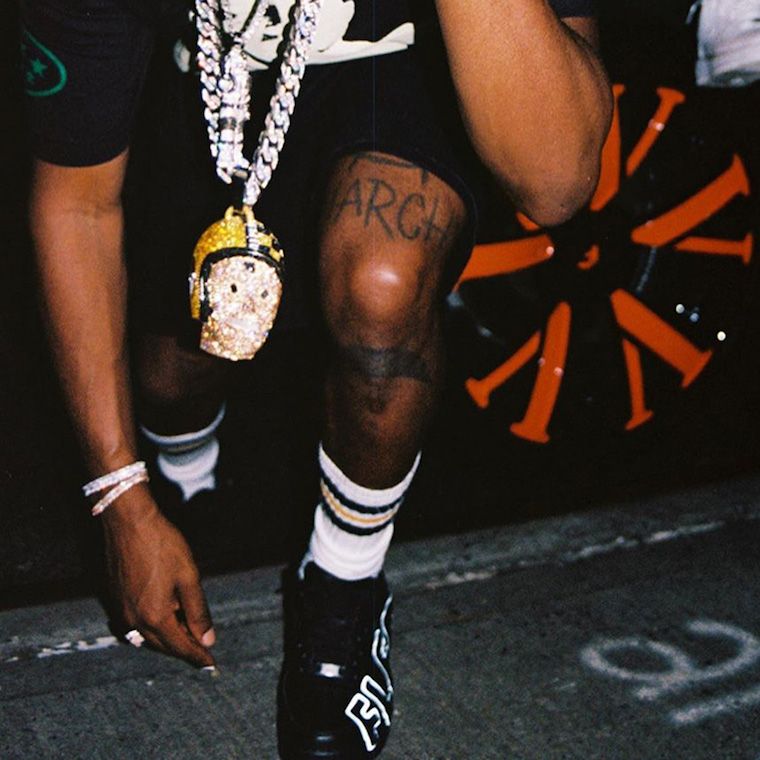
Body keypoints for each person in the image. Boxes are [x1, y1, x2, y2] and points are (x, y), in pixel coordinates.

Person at [20, 0, 611, 756]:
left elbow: (558, 178)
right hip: (215, 76)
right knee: (172, 373)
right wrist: (120, 496)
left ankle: (343, 583)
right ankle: (189, 482)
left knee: (381, 284)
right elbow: (76, 205)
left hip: (400, 67)